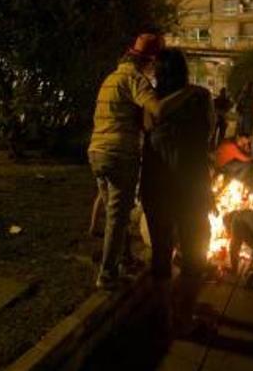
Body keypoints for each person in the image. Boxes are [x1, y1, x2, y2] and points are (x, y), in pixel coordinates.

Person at [88, 32, 179, 290]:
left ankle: (124, 260)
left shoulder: (111, 78)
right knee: (118, 219)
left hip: (96, 152)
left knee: (114, 216)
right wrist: (183, 98)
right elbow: (157, 109)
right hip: (119, 153)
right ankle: (107, 276)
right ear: (148, 61)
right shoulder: (135, 79)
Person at [139, 47, 213, 336]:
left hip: (156, 183)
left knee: (161, 250)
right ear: (183, 71)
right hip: (190, 184)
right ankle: (183, 317)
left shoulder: (150, 101)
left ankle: (163, 317)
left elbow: (146, 130)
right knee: (195, 252)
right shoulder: (200, 97)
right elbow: (207, 134)